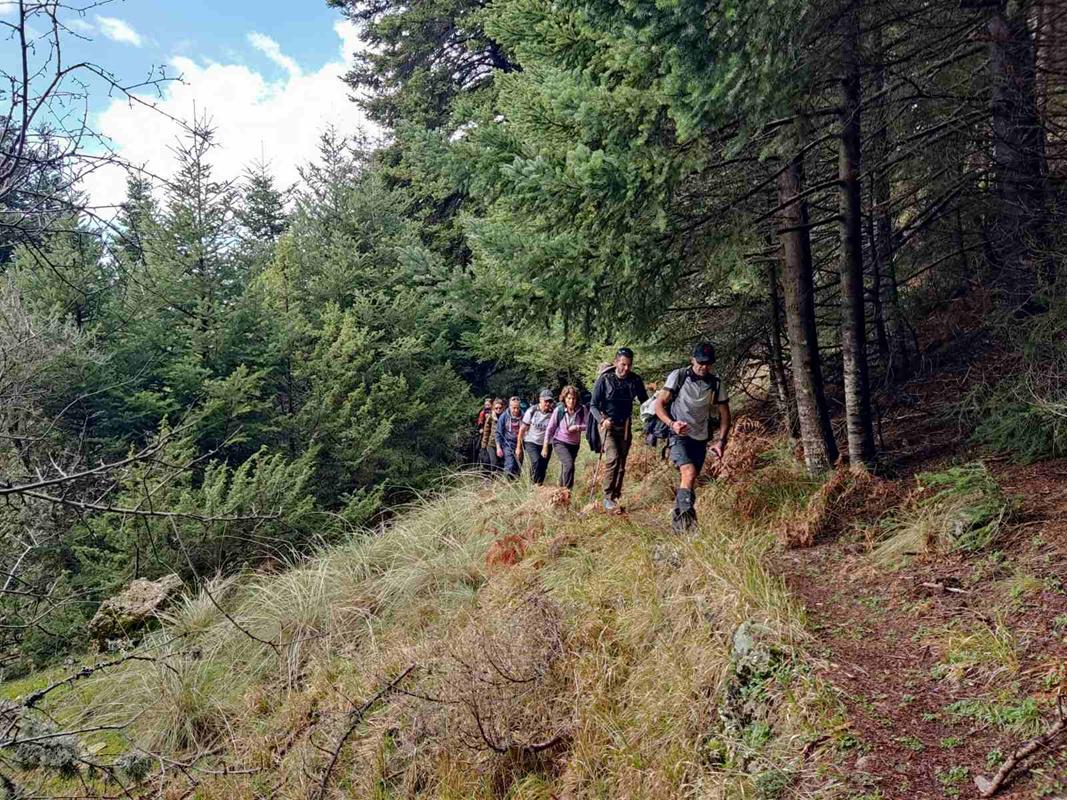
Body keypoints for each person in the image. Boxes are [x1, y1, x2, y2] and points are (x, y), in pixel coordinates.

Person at [653, 342, 731, 532]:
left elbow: (725, 414)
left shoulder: (716, 383)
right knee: (688, 473)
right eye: (700, 362)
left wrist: (721, 441)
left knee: (690, 479)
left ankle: (678, 526)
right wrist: (672, 424)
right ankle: (688, 528)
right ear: (692, 360)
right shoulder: (679, 376)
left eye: (708, 363)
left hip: (700, 438)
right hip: (678, 435)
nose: (704, 367)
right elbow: (658, 404)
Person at [590, 347, 648, 512]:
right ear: (616, 362)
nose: (626, 368)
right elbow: (593, 405)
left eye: (629, 365)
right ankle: (607, 497)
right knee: (613, 458)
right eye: (623, 364)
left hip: (625, 426)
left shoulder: (635, 380)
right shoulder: (604, 379)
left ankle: (615, 496)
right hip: (607, 424)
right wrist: (602, 420)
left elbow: (645, 402)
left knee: (622, 463)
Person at [543, 385, 587, 490]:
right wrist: (545, 446)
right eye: (569, 398)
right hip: (560, 442)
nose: (571, 401)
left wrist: (578, 427)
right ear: (564, 398)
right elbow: (550, 428)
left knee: (566, 468)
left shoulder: (582, 409)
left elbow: (588, 425)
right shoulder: (559, 410)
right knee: (569, 465)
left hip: (574, 444)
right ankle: (567, 491)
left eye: (573, 398)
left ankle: (561, 490)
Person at [517, 389, 555, 485]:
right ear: (540, 400)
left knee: (543, 466)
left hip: (546, 442)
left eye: (550, 401)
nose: (547, 403)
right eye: (545, 401)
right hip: (531, 441)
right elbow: (522, 429)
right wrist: (518, 447)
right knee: (536, 461)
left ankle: (539, 485)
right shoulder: (532, 411)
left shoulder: (553, 413)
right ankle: (532, 484)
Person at [495, 396, 523, 479]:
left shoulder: (524, 416)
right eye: (514, 408)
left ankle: (516, 482)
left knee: (518, 465)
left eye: (517, 408)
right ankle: (506, 482)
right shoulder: (504, 416)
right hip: (507, 443)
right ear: (510, 407)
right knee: (509, 464)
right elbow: (498, 432)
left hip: (520, 443)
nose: (516, 410)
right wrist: (498, 447)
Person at [480, 398, 505, 471]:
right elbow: (486, 432)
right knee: (493, 463)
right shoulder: (490, 417)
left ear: (503, 408)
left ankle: (500, 476)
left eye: (500, 408)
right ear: (493, 408)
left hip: (503, 444)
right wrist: (483, 445)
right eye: (496, 408)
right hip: (492, 443)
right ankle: (492, 476)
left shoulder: (505, 417)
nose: (498, 410)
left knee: (502, 464)